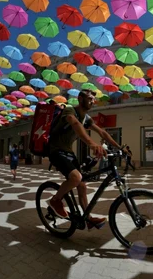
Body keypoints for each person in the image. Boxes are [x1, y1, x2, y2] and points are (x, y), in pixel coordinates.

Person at [48, 89, 121, 230]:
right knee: (76, 178)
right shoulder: (69, 111)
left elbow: (102, 132)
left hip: (68, 152)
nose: (93, 101)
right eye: (89, 98)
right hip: (56, 150)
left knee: (82, 185)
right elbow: (75, 125)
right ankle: (55, 200)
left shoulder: (86, 118)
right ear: (80, 99)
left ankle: (87, 219)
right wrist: (92, 144)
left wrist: (120, 147)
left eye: (93, 99)